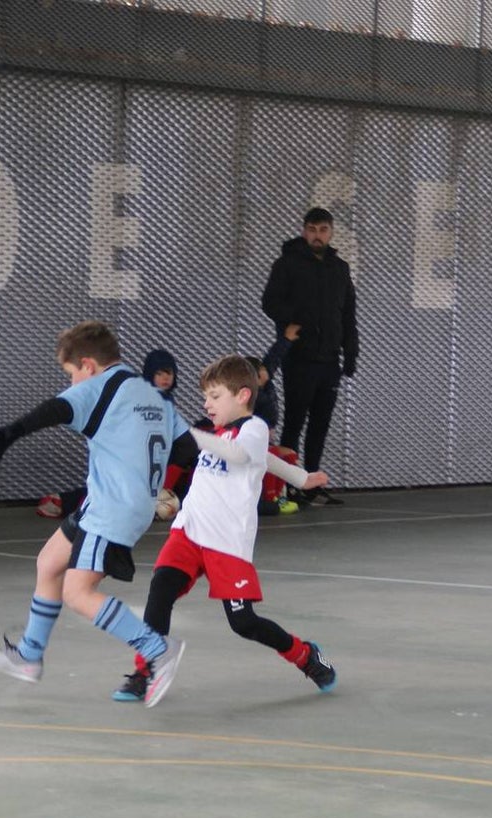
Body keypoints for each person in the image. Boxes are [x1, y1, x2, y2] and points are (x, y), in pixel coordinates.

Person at [0, 321, 189, 708]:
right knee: (50, 563)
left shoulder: (97, 386)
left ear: (87, 365)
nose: (72, 383)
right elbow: (187, 451)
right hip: (117, 502)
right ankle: (29, 656)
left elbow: (56, 409)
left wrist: (11, 432)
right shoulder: (152, 394)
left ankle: (156, 648)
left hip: (113, 509)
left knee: (78, 592)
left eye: (71, 374)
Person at [111, 354, 336, 703]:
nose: (206, 403)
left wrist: (191, 433)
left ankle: (304, 655)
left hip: (226, 543)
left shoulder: (254, 429)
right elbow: (267, 460)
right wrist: (302, 478)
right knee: (160, 591)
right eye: (206, 397)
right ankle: (145, 670)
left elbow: (243, 455)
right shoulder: (218, 432)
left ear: (242, 395)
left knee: (244, 622)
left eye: (215, 396)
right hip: (189, 529)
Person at [261, 207, 358, 507]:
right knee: (294, 422)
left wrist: (350, 351)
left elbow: (348, 314)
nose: (318, 236)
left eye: (324, 230)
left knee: (320, 423)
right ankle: (288, 485)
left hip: (329, 359)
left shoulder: (339, 269)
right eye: (313, 229)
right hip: (299, 357)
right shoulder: (287, 264)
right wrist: (295, 320)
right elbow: (270, 302)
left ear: (331, 233)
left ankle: (311, 483)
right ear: (304, 231)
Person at [35, 348, 183, 519]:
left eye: (169, 373)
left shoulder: (167, 401)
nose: (165, 378)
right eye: (159, 373)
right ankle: (71, 503)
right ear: (150, 374)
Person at [246, 323, 302, 516]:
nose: (265, 372)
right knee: (271, 459)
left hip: (267, 441)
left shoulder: (266, 381)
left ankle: (281, 494)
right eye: (260, 372)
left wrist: (286, 339)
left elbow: (273, 359)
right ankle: (269, 498)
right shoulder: (250, 396)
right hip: (254, 444)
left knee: (290, 455)